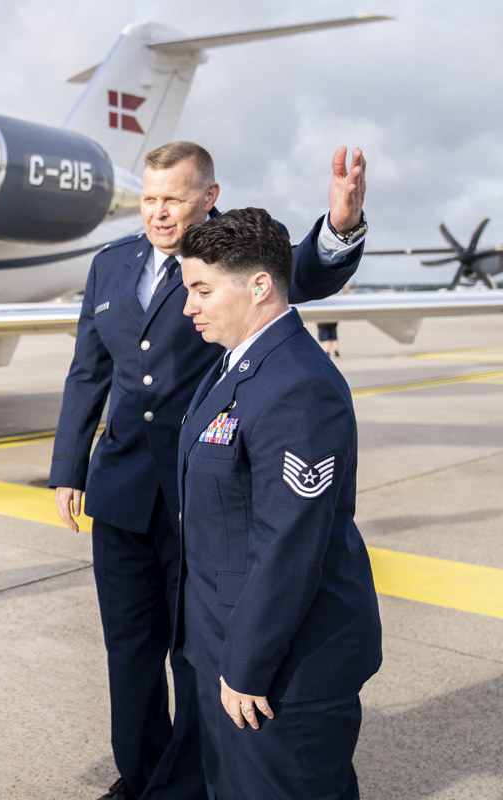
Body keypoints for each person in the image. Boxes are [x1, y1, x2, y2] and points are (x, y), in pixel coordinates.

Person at [47, 141, 367, 800]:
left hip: (203, 497)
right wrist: (68, 466)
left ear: (207, 199)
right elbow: (90, 369)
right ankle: (142, 775)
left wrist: (338, 230)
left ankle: (187, 783)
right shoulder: (112, 265)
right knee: (128, 650)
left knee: (200, 653)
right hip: (123, 489)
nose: (158, 213)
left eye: (173, 199)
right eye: (149, 199)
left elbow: (291, 271)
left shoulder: (228, 260)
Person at [176, 207, 381, 799]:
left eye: (202, 290)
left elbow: (288, 546)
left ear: (259, 285)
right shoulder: (234, 366)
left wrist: (244, 667)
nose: (190, 306)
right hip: (225, 648)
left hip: (277, 669)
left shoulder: (298, 384)